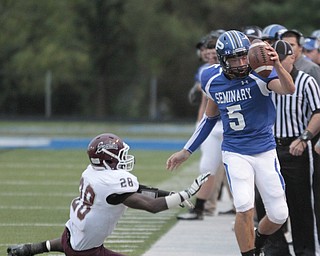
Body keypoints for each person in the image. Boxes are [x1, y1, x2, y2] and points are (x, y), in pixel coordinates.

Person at [166, 30, 295, 256]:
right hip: (236, 152)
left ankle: (258, 240)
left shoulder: (260, 73)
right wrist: (187, 150)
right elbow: (210, 118)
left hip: (265, 150)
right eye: (234, 58)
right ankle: (249, 253)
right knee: (244, 207)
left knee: (279, 215)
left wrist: (278, 67)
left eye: (243, 56)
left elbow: (288, 89)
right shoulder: (211, 79)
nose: (241, 63)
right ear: (223, 59)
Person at [7, 133, 210, 256]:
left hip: (71, 234)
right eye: (120, 153)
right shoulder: (111, 184)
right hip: (87, 252)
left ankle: (29, 249)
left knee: (68, 244)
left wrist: (170, 194)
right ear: (108, 158)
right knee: (76, 248)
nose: (125, 157)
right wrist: (187, 193)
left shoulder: (92, 172)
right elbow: (151, 206)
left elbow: (140, 190)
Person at [256, 40, 320, 255]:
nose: (278, 66)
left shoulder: (306, 81)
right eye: (275, 62)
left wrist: (304, 138)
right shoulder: (265, 80)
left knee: (300, 203)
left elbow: (318, 112)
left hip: (296, 148)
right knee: (266, 201)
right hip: (269, 147)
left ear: (292, 57)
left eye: (281, 61)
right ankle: (276, 248)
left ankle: (305, 250)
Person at [181, 29, 230, 220]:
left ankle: (252, 214)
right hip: (212, 125)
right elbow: (205, 102)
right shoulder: (206, 72)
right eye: (207, 53)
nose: (209, 57)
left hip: (230, 126)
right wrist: (198, 125)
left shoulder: (234, 69)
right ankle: (201, 208)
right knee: (207, 167)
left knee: (235, 170)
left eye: (213, 53)